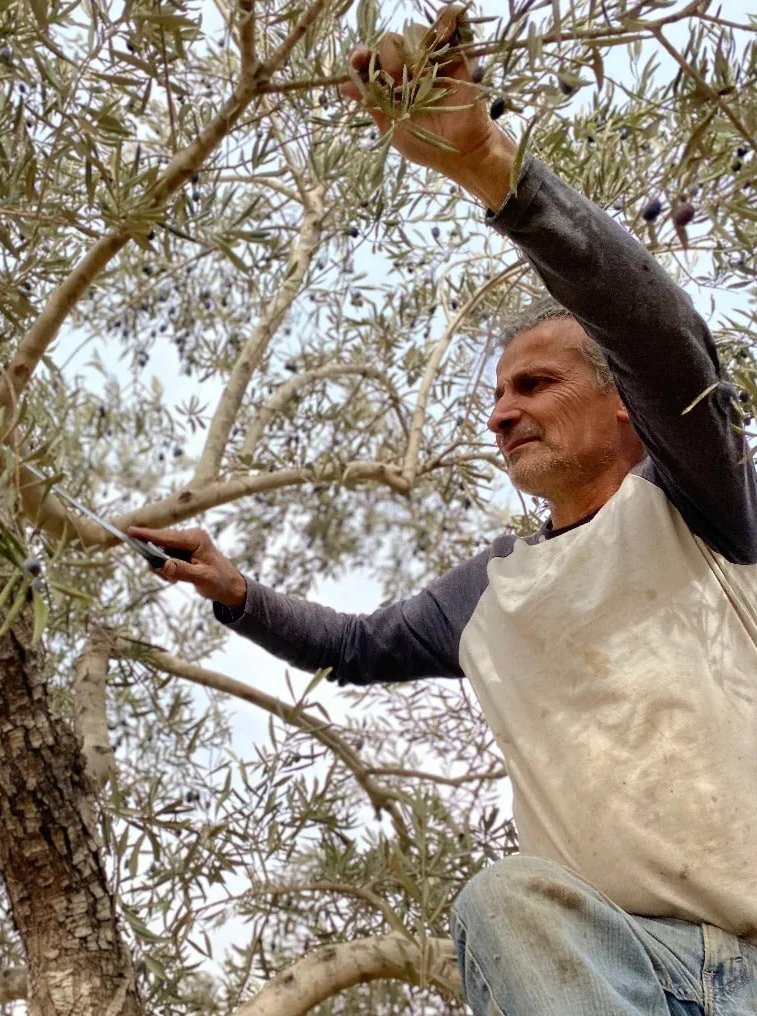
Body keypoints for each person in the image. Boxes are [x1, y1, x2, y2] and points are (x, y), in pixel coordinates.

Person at [130, 6, 757, 1013]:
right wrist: (233, 590)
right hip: (610, 970)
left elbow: (663, 340)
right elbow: (361, 644)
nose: (501, 414)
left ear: (620, 404)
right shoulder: (491, 589)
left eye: (535, 384)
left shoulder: (699, 500)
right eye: (496, 395)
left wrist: (492, 171)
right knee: (503, 899)